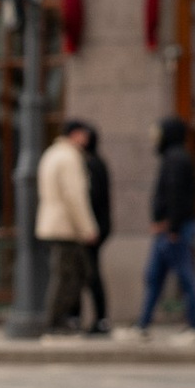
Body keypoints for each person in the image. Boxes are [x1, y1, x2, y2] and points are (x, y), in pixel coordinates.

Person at [136, 114, 195, 338]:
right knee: (154, 276)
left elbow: (177, 196)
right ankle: (143, 325)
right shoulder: (174, 157)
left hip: (173, 229)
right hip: (168, 228)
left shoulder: (175, 159)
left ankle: (194, 327)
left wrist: (172, 227)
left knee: (184, 276)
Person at [36, 118, 97, 333]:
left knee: (68, 274)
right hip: (65, 227)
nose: (87, 139)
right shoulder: (70, 157)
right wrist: (87, 227)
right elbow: (75, 196)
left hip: (53, 224)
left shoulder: (52, 153)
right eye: (84, 134)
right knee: (67, 276)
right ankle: (56, 320)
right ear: (76, 134)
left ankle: (58, 319)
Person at [74, 118, 114, 336]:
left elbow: (92, 198)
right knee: (87, 274)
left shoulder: (91, 163)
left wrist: (89, 227)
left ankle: (99, 319)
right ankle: (97, 319)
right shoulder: (96, 161)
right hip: (97, 226)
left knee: (90, 274)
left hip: (94, 228)